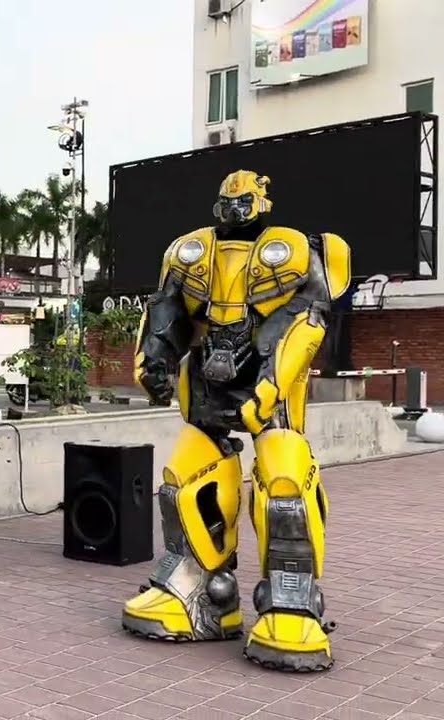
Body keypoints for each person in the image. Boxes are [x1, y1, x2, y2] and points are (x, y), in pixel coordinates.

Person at [120, 170, 351, 673]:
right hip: (207, 378)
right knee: (184, 477)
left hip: (273, 384)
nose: (233, 209)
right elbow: (167, 312)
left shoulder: (291, 249)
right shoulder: (191, 250)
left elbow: (306, 317)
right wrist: (153, 361)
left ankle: (293, 602)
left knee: (283, 480)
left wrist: (270, 381)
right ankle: (200, 592)